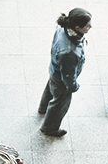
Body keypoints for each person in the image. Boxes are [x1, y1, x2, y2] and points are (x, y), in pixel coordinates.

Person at [38, 8, 92, 137]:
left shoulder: (63, 27)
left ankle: (43, 108)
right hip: (62, 80)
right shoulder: (69, 52)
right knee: (60, 103)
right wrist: (73, 86)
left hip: (54, 70)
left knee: (50, 89)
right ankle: (49, 128)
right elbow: (68, 76)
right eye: (88, 25)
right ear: (78, 28)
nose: (90, 27)